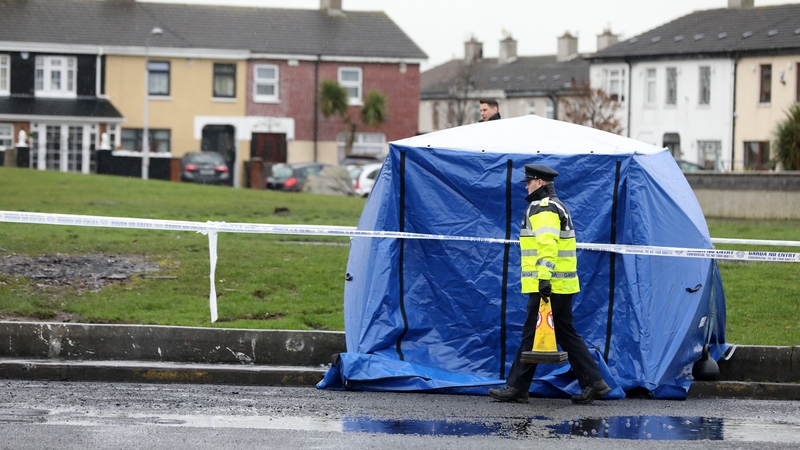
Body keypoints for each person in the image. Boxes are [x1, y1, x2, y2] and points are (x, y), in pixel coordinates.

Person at [488, 163, 611, 405]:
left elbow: (547, 244)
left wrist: (544, 276)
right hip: (561, 285)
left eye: (529, 182)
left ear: (540, 183)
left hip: (548, 285)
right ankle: (593, 382)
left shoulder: (542, 207)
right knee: (564, 334)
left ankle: (517, 387)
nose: (526, 186)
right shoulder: (556, 205)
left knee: (531, 335)